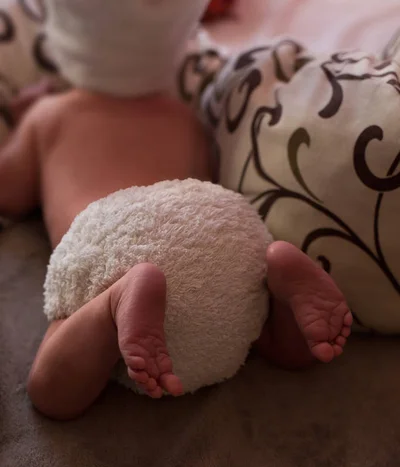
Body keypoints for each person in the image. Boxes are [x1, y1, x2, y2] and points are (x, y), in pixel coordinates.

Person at [0, 0, 352, 420]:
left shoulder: (51, 115)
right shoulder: (184, 118)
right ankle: (277, 275)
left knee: (49, 392)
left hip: (118, 241)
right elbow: (199, 188)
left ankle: (114, 304)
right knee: (260, 333)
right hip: (206, 234)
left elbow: (8, 192)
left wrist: (23, 119)